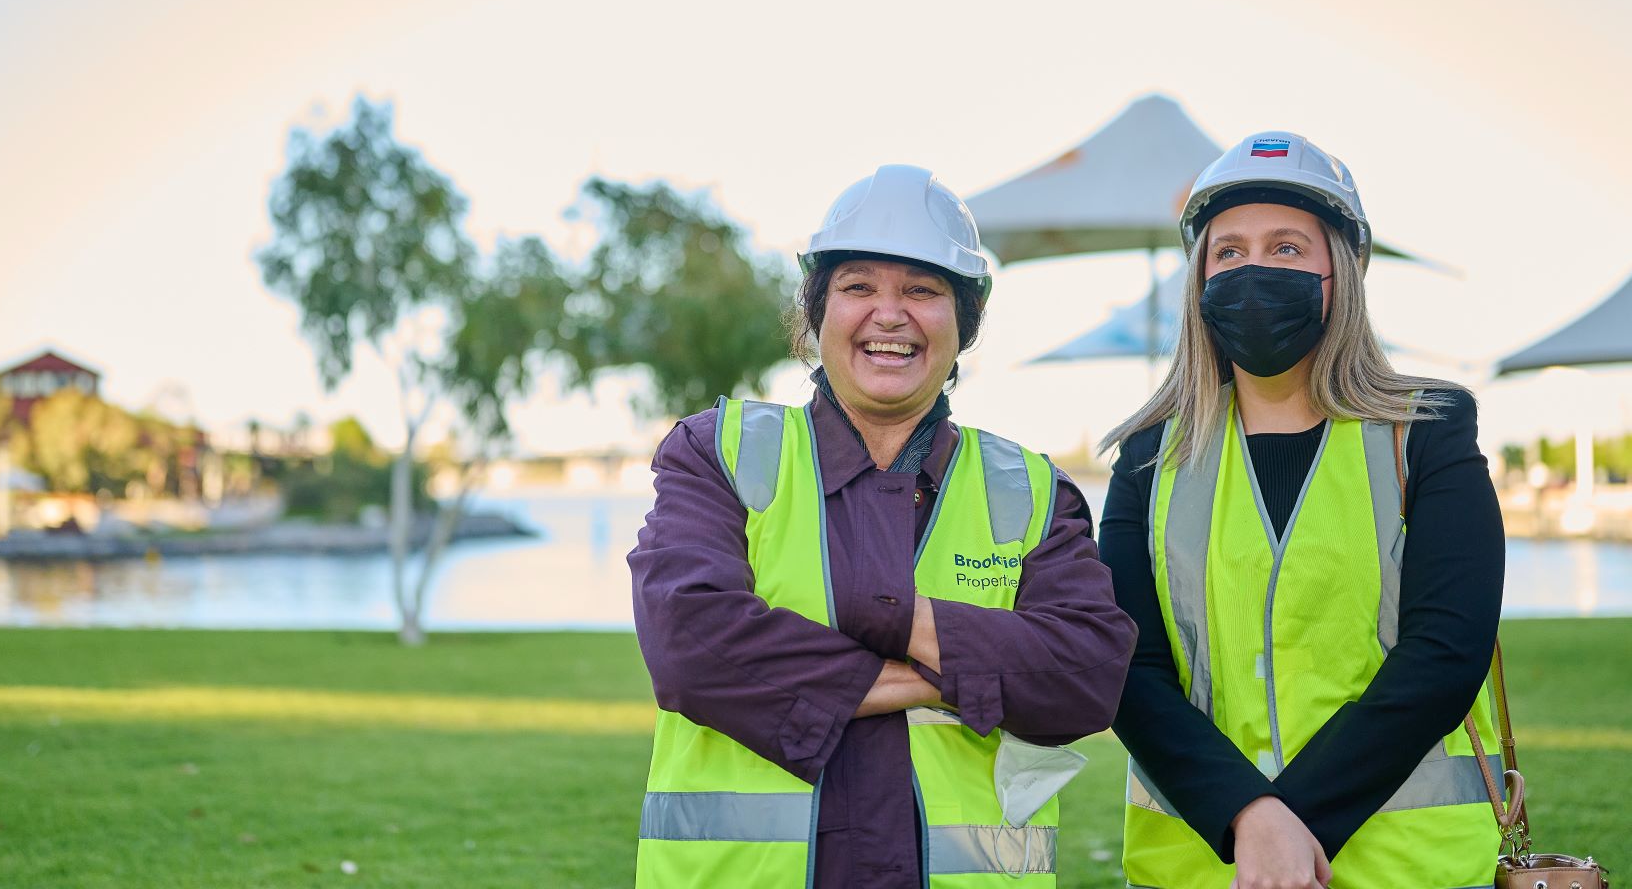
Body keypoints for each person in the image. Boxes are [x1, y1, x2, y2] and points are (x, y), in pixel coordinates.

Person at [629, 164, 1135, 889]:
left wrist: (886, 620)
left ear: (965, 323)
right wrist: (952, 673)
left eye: (922, 291)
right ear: (817, 313)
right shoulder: (720, 452)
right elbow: (691, 645)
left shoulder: (1029, 490)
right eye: (858, 286)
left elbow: (1087, 675)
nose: (888, 315)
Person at [1098, 133, 1506, 889]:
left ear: (1340, 273)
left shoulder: (1429, 430)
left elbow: (1446, 653)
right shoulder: (1149, 456)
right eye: (1229, 253)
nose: (1253, 271)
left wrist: (1285, 824)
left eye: (1286, 249)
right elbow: (1127, 668)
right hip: (1200, 869)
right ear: (1200, 279)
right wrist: (1246, 818)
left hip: (1403, 870)